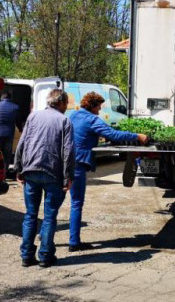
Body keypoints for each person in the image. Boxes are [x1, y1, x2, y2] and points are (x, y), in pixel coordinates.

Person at [67, 92, 148, 252]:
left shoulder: (73, 115)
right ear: (93, 106)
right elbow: (113, 134)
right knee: (76, 203)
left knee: (55, 202)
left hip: (63, 161)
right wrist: (137, 136)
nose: (100, 109)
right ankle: (74, 242)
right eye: (99, 106)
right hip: (77, 163)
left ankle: (45, 235)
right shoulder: (92, 119)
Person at [14, 88, 75, 268]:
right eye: (67, 104)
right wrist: (68, 176)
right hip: (53, 173)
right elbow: (68, 151)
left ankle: (26, 256)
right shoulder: (65, 120)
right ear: (62, 103)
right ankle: (45, 256)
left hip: (31, 171)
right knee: (49, 217)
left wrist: (18, 168)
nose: (67, 107)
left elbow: (22, 143)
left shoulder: (33, 117)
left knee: (30, 215)